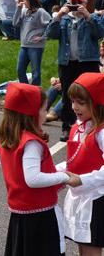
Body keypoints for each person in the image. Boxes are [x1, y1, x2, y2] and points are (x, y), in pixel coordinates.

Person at [0, 82, 74, 256]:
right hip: (40, 215)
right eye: (43, 110)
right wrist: (64, 177)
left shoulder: (8, 139)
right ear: (31, 114)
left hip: (20, 214)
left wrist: (59, 168)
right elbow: (33, 179)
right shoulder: (31, 142)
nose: (46, 114)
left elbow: (4, 163)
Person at [46, 0, 104, 142]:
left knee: (91, 95)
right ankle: (67, 127)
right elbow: (50, 34)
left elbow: (99, 34)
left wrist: (88, 16)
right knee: (67, 95)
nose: (76, 6)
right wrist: (58, 15)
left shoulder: (94, 18)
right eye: (73, 3)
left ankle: (94, 126)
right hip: (67, 63)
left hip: (88, 62)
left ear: (85, 4)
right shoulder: (64, 19)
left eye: (79, 3)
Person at [57, 73, 104, 256]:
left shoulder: (101, 132)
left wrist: (83, 180)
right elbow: (74, 159)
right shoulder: (79, 126)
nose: (74, 107)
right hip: (79, 196)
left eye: (81, 103)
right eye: (72, 101)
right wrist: (50, 172)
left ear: (98, 103)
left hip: (96, 198)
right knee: (82, 247)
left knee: (91, 249)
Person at [13, 0, 51, 86]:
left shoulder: (40, 12)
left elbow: (51, 24)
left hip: (36, 47)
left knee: (36, 72)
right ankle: (26, 90)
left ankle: (36, 93)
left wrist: (43, 37)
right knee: (20, 70)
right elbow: (15, 23)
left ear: (30, 1)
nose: (23, 2)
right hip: (24, 46)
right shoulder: (23, 11)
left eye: (24, 0)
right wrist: (18, 9)